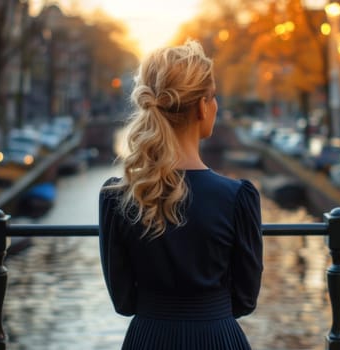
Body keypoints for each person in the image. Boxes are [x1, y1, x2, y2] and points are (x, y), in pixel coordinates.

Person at [98, 40, 263, 350]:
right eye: (214, 98)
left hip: (148, 339)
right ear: (202, 106)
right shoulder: (238, 197)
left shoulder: (115, 197)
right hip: (217, 338)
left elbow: (124, 301)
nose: (216, 106)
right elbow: (245, 299)